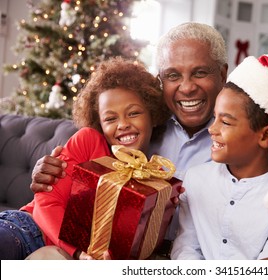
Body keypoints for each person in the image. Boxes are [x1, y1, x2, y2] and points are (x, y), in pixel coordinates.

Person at [29, 22, 268, 260]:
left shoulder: (249, 144)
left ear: (222, 73)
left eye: (200, 73)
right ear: (160, 80)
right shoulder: (143, 127)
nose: (186, 88)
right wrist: (51, 171)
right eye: (173, 76)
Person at [0, 56, 171, 260]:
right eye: (110, 118)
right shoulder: (89, 141)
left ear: (152, 115)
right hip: (27, 230)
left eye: (133, 113)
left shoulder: (153, 176)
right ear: (99, 122)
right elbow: (47, 203)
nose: (122, 124)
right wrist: (78, 252)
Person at [172, 55, 268, 259]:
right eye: (215, 118)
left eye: (226, 122)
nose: (212, 129)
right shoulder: (195, 179)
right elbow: (185, 248)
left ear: (265, 135)